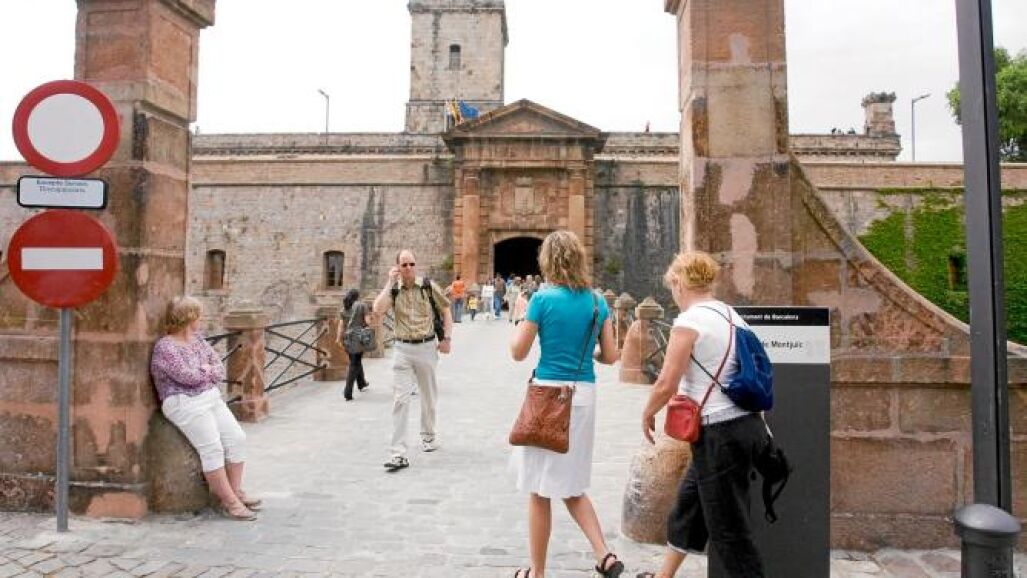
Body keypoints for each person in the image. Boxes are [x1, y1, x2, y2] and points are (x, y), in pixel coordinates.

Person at [636, 251, 770, 578]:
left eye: (672, 286)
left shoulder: (689, 322)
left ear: (678, 283)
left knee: (730, 531)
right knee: (688, 509)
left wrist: (648, 412)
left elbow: (666, 382)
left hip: (720, 434)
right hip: (746, 426)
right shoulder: (731, 316)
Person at [509, 230, 622, 578]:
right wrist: (587, 354)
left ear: (547, 261)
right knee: (572, 484)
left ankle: (538, 572)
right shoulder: (597, 302)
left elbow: (518, 352)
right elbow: (612, 356)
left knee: (539, 490)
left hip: (547, 398)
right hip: (583, 395)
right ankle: (604, 555)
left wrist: (520, 316)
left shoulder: (542, 299)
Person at [150, 296, 259, 521]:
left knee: (237, 438)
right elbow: (186, 377)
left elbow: (219, 369)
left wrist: (205, 370)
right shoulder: (165, 347)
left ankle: (235, 492)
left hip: (209, 396)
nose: (201, 318)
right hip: (182, 401)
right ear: (189, 317)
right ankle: (231, 503)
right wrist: (206, 370)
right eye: (198, 315)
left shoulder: (198, 339)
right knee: (212, 448)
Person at [373, 250, 453, 472]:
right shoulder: (394, 289)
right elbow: (377, 309)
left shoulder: (427, 286)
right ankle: (398, 453)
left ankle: (428, 436)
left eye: (411, 264)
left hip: (426, 348)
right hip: (402, 349)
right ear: (397, 267)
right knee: (400, 400)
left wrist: (446, 339)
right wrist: (389, 282)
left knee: (428, 397)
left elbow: (446, 310)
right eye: (404, 264)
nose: (408, 268)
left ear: (416, 265)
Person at [341, 288, 371, 401]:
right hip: (358, 337)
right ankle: (347, 391)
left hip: (347, 338)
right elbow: (368, 322)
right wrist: (370, 318)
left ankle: (361, 382)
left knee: (355, 360)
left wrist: (338, 339)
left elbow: (341, 325)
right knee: (355, 363)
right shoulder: (362, 306)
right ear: (357, 296)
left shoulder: (344, 308)